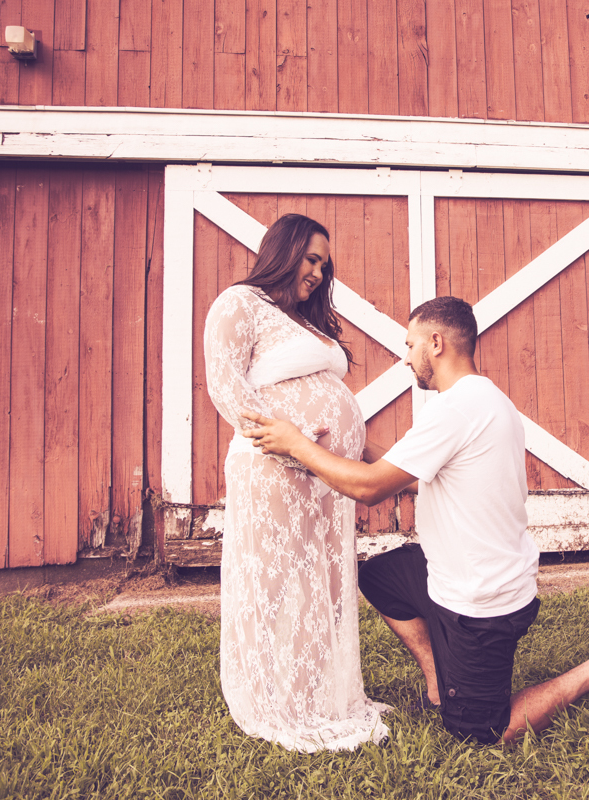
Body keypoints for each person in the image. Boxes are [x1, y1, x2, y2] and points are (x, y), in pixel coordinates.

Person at [241, 295, 589, 746]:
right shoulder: (482, 399)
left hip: (483, 602)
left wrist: (295, 444)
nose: (406, 357)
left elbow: (371, 487)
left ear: (435, 342)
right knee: (381, 577)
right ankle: (439, 682)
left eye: (410, 346)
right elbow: (406, 475)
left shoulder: (455, 412)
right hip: (449, 571)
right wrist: (340, 446)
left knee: (484, 732)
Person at [202, 213, 389, 752]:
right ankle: (271, 700)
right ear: (282, 251)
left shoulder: (304, 321)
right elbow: (225, 386)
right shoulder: (239, 304)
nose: (316, 272)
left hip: (321, 481)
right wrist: (292, 444)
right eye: (310, 259)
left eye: (323, 265)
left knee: (321, 586)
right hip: (274, 467)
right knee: (277, 584)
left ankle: (318, 695)